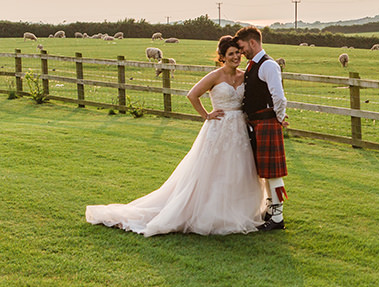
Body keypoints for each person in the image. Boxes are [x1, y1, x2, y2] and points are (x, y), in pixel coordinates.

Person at [85, 36, 265, 236]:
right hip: (218, 128)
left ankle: (237, 211)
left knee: (239, 170)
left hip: (239, 128)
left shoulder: (244, 76)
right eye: (230, 54)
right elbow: (192, 95)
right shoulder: (215, 76)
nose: (236, 57)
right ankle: (208, 212)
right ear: (222, 57)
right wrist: (206, 115)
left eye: (237, 53)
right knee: (213, 171)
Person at [234, 26, 289, 231]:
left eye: (242, 47)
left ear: (253, 43)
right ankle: (270, 209)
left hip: (267, 122)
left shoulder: (268, 65)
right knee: (265, 171)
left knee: (273, 173)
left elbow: (279, 96)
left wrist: (279, 118)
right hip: (258, 123)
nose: (241, 52)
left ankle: (277, 217)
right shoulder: (253, 65)